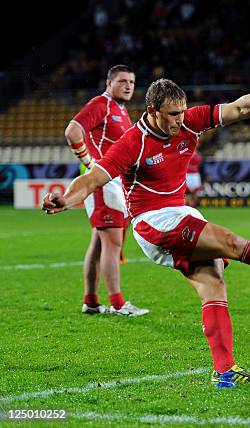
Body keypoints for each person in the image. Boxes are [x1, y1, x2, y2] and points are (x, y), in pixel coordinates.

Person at [43, 78, 250, 389]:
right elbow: (92, 179)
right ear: (152, 110)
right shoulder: (132, 142)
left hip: (180, 214)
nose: (179, 120)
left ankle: (224, 372)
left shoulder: (190, 122)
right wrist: (64, 198)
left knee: (214, 284)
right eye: (172, 114)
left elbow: (241, 108)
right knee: (234, 245)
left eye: (181, 112)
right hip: (153, 221)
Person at [64, 64, 149, 317]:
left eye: (132, 82)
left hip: (112, 182)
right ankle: (118, 304)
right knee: (111, 243)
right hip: (102, 182)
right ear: (108, 82)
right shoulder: (101, 104)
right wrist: (90, 163)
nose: (128, 86)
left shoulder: (121, 110)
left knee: (100, 244)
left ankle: (91, 301)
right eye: (122, 81)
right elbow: (73, 131)